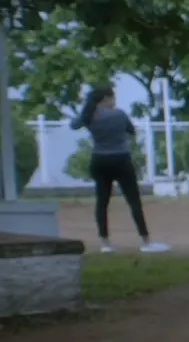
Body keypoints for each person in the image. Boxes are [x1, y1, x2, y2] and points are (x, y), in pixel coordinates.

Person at [70, 87, 170, 254]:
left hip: (99, 159)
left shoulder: (89, 116)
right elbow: (131, 131)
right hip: (121, 158)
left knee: (102, 202)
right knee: (133, 200)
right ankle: (145, 240)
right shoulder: (119, 114)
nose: (114, 102)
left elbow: (74, 125)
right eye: (112, 98)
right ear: (106, 99)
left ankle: (105, 243)